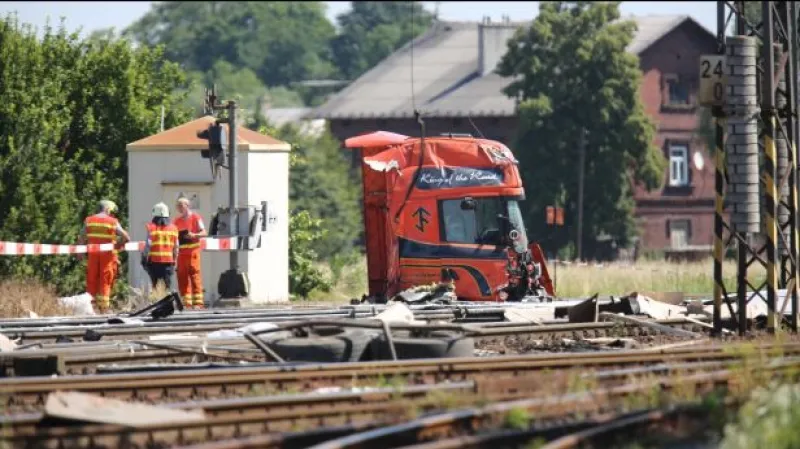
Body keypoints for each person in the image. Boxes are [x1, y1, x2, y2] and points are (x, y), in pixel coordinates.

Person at [78, 200, 130, 314]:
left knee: (91, 279)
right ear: (107, 209)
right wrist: (119, 244)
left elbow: (81, 238)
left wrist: (80, 252)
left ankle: (90, 307)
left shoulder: (89, 220)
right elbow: (126, 237)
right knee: (105, 280)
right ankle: (104, 308)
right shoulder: (112, 221)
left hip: (93, 255)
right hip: (107, 256)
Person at [173, 196, 207, 309]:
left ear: (187, 205)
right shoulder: (176, 221)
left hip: (193, 252)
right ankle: (186, 304)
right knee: (182, 278)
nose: (179, 208)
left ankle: (198, 304)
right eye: (178, 206)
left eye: (181, 205)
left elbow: (204, 232)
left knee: (195, 276)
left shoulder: (196, 217)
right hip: (182, 253)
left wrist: (194, 235)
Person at [142, 202, 179, 292]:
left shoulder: (151, 227)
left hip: (154, 262)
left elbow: (148, 245)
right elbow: (176, 247)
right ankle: (167, 305)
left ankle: (157, 303)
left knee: (155, 287)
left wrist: (144, 258)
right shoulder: (174, 228)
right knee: (166, 287)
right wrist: (175, 261)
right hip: (168, 263)